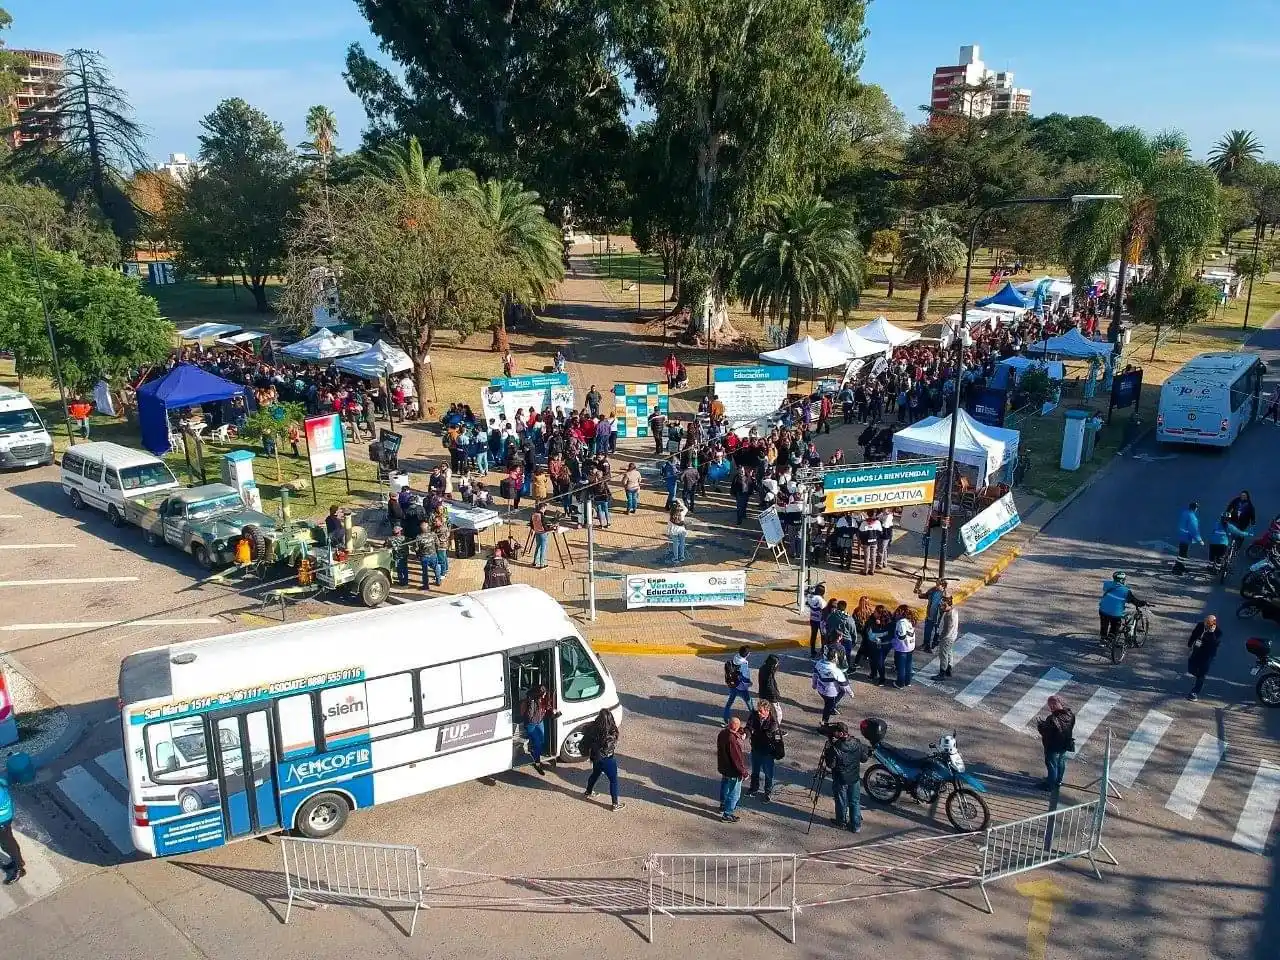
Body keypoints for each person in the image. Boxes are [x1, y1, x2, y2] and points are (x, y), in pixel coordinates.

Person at [821, 722, 870, 833]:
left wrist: (828, 751)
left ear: (841, 733)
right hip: (854, 778)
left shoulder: (836, 747)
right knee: (854, 801)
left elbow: (831, 765)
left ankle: (841, 821)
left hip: (841, 779)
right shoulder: (857, 743)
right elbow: (863, 758)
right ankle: (856, 825)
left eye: (836, 732)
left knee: (841, 801)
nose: (834, 734)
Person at [582, 708, 624, 811]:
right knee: (613, 780)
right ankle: (615, 804)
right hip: (607, 759)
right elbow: (611, 745)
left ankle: (588, 791)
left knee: (595, 774)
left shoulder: (593, 727)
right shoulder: (611, 732)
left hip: (596, 757)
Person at [1035, 696, 1076, 791]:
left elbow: (1046, 733)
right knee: (1061, 762)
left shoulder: (1052, 718)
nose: (1051, 707)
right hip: (1065, 743)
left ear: (1060, 703)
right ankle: (1058, 781)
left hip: (1053, 746)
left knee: (1051, 764)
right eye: (1050, 705)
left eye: (1054, 704)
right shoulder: (1070, 715)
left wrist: (1041, 726)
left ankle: (1050, 785)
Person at [745, 700, 782, 801]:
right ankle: (753, 788)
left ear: (767, 711)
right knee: (755, 771)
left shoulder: (773, 722)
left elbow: (767, 735)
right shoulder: (754, 716)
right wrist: (746, 734)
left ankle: (768, 791)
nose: (759, 713)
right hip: (756, 748)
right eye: (758, 710)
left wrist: (754, 732)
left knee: (768, 773)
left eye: (761, 711)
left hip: (767, 752)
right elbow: (748, 727)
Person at [717, 717, 749, 822]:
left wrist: (738, 731)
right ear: (736, 727)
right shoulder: (733, 740)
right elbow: (737, 759)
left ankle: (723, 804)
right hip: (733, 771)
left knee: (725, 786)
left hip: (724, 768)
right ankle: (728, 814)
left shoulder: (722, 734)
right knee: (734, 793)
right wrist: (744, 773)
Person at [1098, 571, 1145, 643]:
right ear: (1123, 580)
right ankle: (1111, 638)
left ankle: (1103, 638)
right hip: (1115, 612)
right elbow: (1133, 601)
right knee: (1115, 625)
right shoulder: (1125, 590)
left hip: (1102, 609)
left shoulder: (1107, 584)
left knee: (1104, 623)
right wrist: (1142, 603)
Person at [812, 648, 852, 727]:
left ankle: (832, 707)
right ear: (834, 658)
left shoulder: (819, 663)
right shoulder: (836, 669)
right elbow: (844, 684)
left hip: (820, 689)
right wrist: (851, 693)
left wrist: (814, 684)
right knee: (828, 707)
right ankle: (824, 724)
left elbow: (815, 675)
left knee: (829, 703)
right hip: (830, 693)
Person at [1186, 614, 1222, 701]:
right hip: (1196, 651)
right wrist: (1190, 643)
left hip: (1207, 655)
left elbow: (1214, 644)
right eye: (1206, 622)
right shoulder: (1200, 625)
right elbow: (1194, 634)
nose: (1206, 625)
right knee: (1191, 668)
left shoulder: (1217, 632)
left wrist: (1211, 633)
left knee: (1202, 673)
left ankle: (1194, 692)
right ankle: (1199, 676)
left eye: (1209, 623)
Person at [521, 683, 555, 776]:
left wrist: (552, 712)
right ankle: (537, 762)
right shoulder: (531, 700)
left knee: (541, 740)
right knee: (538, 743)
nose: (544, 695)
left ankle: (534, 754)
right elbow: (529, 716)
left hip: (539, 722)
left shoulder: (543, 699)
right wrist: (532, 704)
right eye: (542, 694)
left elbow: (547, 708)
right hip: (531, 724)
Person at [915, 577, 951, 653]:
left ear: (943, 586)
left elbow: (950, 607)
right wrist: (919, 592)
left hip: (939, 618)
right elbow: (924, 596)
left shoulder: (946, 595)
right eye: (936, 584)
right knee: (927, 631)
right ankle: (926, 645)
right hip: (930, 615)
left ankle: (934, 645)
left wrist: (944, 607)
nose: (936, 585)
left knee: (937, 632)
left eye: (938, 584)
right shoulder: (932, 590)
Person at [0, 772, 24, 884]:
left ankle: (19, 869)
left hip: (2, 821)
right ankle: (17, 862)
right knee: (8, 843)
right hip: (6, 817)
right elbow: (4, 782)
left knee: (8, 844)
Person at [723, 646, 755, 721]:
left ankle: (725, 720)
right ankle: (754, 718)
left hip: (732, 685)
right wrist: (749, 683)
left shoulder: (733, 660)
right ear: (747, 654)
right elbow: (745, 678)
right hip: (741, 688)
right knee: (749, 702)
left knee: (729, 703)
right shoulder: (744, 664)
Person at [933, 596, 960, 680]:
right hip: (952, 636)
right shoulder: (954, 610)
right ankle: (949, 668)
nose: (941, 607)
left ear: (948, 604)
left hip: (947, 638)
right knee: (949, 652)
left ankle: (942, 673)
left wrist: (939, 638)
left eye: (944, 605)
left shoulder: (949, 616)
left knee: (943, 654)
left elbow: (946, 630)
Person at [1172, 500, 1202, 574]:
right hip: (1186, 537)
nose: (1197, 509)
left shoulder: (1185, 513)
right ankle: (1177, 569)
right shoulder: (1192, 516)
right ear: (1194, 508)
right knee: (1183, 554)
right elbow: (1194, 529)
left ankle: (1181, 567)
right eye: (1196, 508)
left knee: (1182, 553)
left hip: (1182, 535)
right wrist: (1199, 540)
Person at [891, 614, 916, 688]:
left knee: (901, 666)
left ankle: (900, 683)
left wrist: (894, 640)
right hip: (910, 646)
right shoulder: (910, 620)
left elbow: (902, 636)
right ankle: (907, 681)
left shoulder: (901, 622)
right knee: (908, 665)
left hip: (903, 647)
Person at [806, 584, 827, 657]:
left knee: (813, 635)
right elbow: (825, 610)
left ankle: (812, 651)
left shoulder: (810, 597)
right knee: (823, 636)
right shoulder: (821, 601)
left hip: (812, 619)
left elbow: (808, 598)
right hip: (820, 621)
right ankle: (823, 651)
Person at [530, 502, 551, 569]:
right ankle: (542, 564)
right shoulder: (542, 516)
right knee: (543, 549)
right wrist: (551, 529)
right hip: (542, 533)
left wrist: (536, 528)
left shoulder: (533, 515)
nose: (545, 510)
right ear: (543, 508)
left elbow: (532, 525)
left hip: (537, 533)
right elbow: (545, 527)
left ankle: (535, 562)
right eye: (545, 508)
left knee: (537, 547)